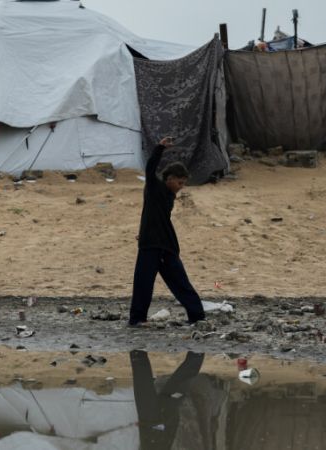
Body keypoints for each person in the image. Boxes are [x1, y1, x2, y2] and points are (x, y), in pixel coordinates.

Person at [129, 137, 206, 327]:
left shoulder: (169, 196)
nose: (181, 188)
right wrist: (160, 148)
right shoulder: (155, 189)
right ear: (169, 179)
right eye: (179, 183)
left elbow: (153, 217)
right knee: (143, 284)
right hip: (151, 245)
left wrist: (144, 231)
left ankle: (197, 317)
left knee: (180, 283)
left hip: (165, 245)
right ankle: (137, 319)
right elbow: (150, 168)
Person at [130, 350, 205, 449]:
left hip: (156, 423)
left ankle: (196, 355)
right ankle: (138, 355)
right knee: (151, 389)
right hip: (158, 423)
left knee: (169, 391)